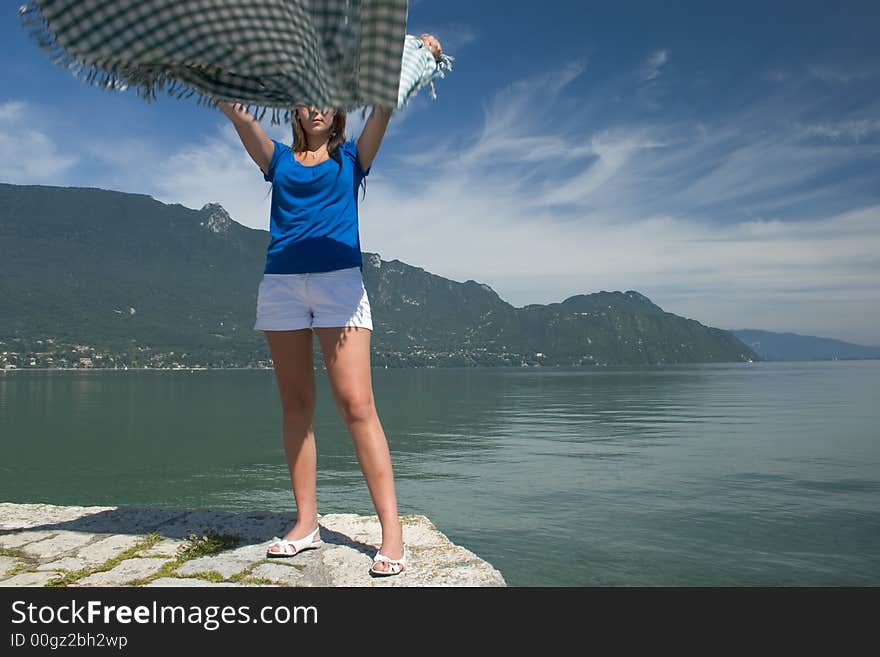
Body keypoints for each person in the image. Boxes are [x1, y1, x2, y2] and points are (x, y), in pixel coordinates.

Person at [217, 100, 406, 577]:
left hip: (338, 283)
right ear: (296, 113)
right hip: (281, 284)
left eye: (324, 101)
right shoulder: (277, 159)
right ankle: (306, 524)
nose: (315, 109)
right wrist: (214, 82)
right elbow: (242, 118)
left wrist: (416, 60)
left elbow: (383, 111)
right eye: (306, 101)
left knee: (356, 405)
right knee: (296, 406)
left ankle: (392, 535)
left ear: (337, 113)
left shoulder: (351, 159)